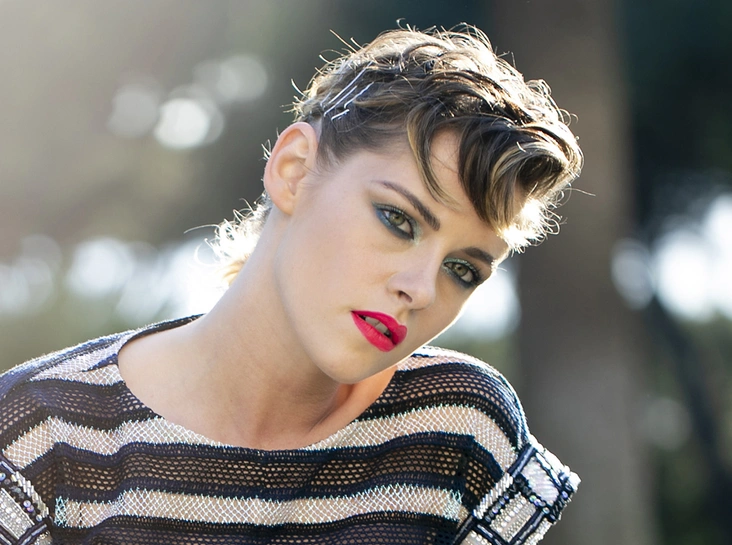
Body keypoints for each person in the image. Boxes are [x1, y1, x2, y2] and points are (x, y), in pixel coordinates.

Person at [0, 24, 582, 544]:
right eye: (398, 220)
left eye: (463, 270)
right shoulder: (39, 432)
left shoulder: (458, 431)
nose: (421, 289)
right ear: (294, 169)